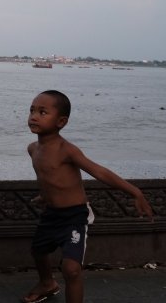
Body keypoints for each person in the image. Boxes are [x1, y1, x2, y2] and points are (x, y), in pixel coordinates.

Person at [23, 90, 153, 303]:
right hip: (51, 214)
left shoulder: (67, 150)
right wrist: (44, 196)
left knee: (71, 269)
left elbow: (99, 171)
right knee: (38, 251)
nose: (34, 116)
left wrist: (135, 191)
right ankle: (47, 283)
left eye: (42, 112)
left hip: (74, 215)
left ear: (61, 122)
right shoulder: (33, 149)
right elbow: (47, 177)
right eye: (32, 111)